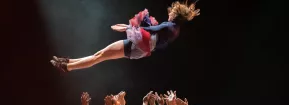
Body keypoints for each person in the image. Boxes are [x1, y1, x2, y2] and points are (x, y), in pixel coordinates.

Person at [50, 1, 200, 72]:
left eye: (172, 12)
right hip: (139, 48)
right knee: (99, 55)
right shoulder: (174, 29)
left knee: (99, 56)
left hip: (137, 46)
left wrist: (130, 27)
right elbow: (156, 36)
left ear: (176, 14)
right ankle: (67, 62)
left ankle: (67, 66)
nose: (170, 13)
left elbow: (153, 28)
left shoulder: (170, 26)